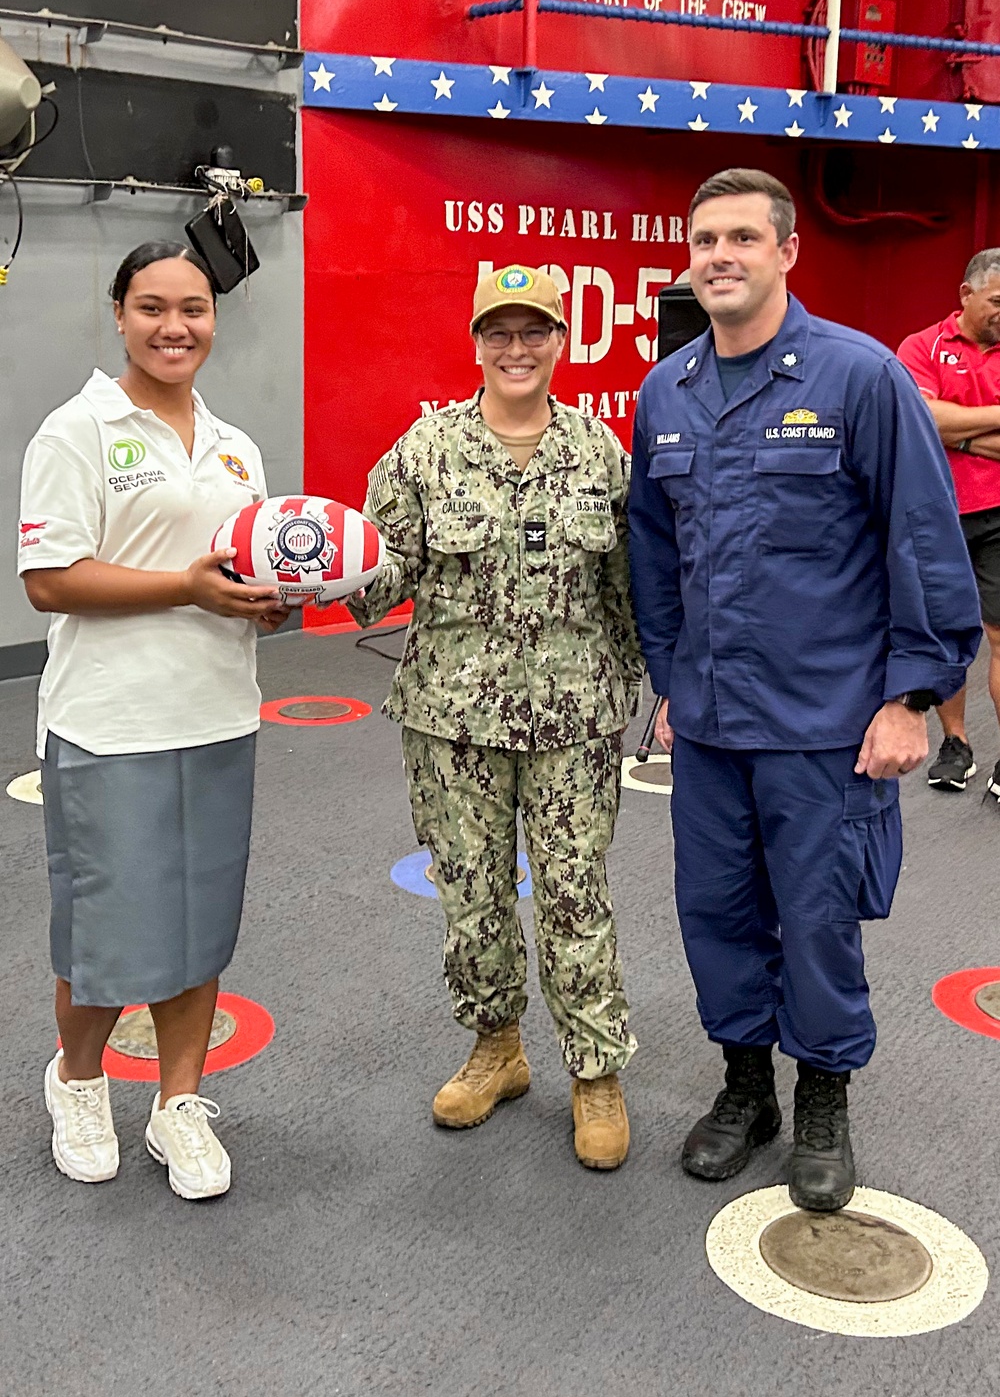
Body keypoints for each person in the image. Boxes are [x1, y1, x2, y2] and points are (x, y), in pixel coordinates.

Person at [629, 169, 980, 1212]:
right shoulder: (667, 392)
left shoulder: (859, 379)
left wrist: (910, 695)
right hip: (710, 716)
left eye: (742, 236)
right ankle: (747, 1089)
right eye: (704, 239)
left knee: (817, 915)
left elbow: (921, 535)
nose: (719, 255)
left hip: (827, 718)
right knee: (716, 909)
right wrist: (667, 678)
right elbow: (653, 553)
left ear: (787, 251)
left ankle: (824, 1095)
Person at [346, 265, 643, 1169]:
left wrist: (663, 689)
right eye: (498, 333)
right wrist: (318, 565)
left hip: (576, 717)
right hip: (451, 717)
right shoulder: (424, 450)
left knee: (573, 895)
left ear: (562, 341)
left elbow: (631, 588)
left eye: (535, 331)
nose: (516, 349)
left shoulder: (600, 454)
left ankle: (594, 1070)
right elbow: (380, 574)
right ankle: (497, 1049)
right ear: (475, 343)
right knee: (472, 893)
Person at [19, 241, 288, 1200]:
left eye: (195, 308)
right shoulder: (77, 430)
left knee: (198, 925)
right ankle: (80, 1081)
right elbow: (50, 578)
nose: (176, 326)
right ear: (120, 315)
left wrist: (270, 598)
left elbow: (237, 566)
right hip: (110, 722)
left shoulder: (232, 444)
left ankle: (179, 1102)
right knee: (107, 929)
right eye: (153, 307)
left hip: (217, 713)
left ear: (215, 318)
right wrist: (186, 587)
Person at [897, 252, 1000, 797]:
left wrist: (953, 429)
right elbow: (921, 420)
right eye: (998, 302)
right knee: (944, 634)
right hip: (936, 510)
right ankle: (956, 743)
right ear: (966, 293)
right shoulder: (921, 347)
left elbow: (938, 420)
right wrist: (954, 429)